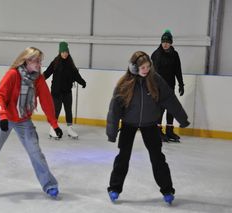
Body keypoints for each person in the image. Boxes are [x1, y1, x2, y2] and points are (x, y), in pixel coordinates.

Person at [0, 47, 63, 200]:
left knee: (36, 154)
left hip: (23, 120)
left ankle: (49, 185)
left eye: (40, 61)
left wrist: (54, 124)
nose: (39, 64)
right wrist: (2, 116)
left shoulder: (38, 79)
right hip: (5, 117)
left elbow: (46, 101)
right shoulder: (13, 75)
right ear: (27, 61)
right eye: (36, 61)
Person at [106, 51, 190, 204]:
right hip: (128, 124)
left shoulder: (155, 80)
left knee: (157, 158)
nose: (146, 70)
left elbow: (170, 99)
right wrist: (111, 133)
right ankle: (114, 188)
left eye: (147, 66)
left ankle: (167, 190)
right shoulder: (124, 83)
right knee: (123, 158)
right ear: (133, 67)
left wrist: (182, 119)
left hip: (150, 124)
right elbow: (114, 109)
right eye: (142, 67)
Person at [43, 41, 86, 139]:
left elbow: (76, 75)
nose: (65, 54)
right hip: (56, 92)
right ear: (60, 52)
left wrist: (82, 82)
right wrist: (39, 80)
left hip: (67, 92)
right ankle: (52, 128)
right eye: (63, 52)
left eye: (66, 52)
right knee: (56, 111)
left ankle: (70, 129)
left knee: (68, 110)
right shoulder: (55, 62)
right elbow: (47, 73)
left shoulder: (70, 63)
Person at [151, 29, 185, 142]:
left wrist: (181, 84)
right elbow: (153, 73)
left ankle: (169, 131)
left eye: (167, 42)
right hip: (159, 88)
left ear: (171, 43)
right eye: (163, 41)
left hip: (170, 86)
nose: (165, 44)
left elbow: (178, 70)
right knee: (160, 109)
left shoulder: (175, 55)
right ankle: (157, 131)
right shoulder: (156, 55)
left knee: (171, 109)